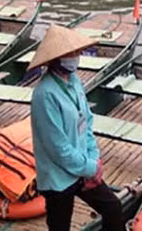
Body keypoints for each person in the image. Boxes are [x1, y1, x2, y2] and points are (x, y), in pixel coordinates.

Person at [29, 24, 126, 231]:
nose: (76, 56)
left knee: (113, 207)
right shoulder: (45, 94)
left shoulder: (74, 82)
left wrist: (93, 159)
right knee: (60, 225)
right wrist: (89, 168)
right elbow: (58, 148)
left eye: (76, 52)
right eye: (70, 53)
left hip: (83, 166)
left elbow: (87, 122)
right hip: (58, 176)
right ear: (56, 58)